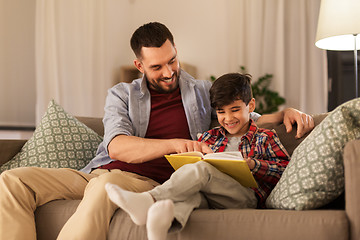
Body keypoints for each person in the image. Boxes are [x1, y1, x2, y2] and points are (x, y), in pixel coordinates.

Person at [0, 22, 312, 240]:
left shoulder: (202, 91)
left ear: (176, 50)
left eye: (172, 60)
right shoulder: (121, 95)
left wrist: (283, 112)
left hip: (141, 180)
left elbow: (240, 117)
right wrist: (177, 143)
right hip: (97, 171)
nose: (169, 72)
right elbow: (118, 148)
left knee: (106, 185)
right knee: (12, 181)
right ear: (139, 65)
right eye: (156, 67)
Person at [105, 72, 291, 240]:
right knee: (188, 196)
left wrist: (253, 165)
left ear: (250, 105)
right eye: (221, 112)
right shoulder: (209, 137)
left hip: (246, 197)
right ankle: (159, 229)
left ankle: (148, 199)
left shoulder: (265, 137)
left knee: (202, 170)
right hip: (211, 197)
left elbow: (285, 171)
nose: (228, 118)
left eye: (234, 110)